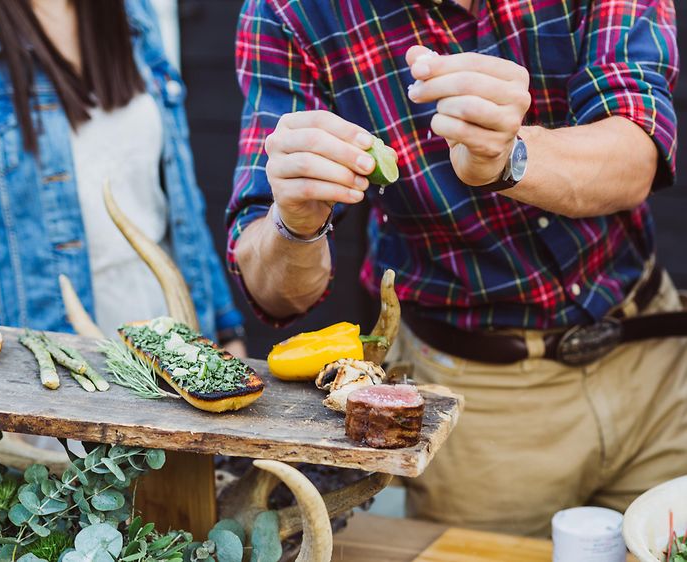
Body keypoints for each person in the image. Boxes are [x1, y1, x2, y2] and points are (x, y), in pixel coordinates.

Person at [226, 0, 685, 536]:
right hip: (479, 406)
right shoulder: (288, 14)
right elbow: (275, 292)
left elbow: (637, 151)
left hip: (653, 367)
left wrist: (509, 157)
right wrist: (295, 220)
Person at [0, 0, 245, 353]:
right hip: (42, 371)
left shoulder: (134, 11)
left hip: (176, 343)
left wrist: (225, 328)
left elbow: (177, 198)